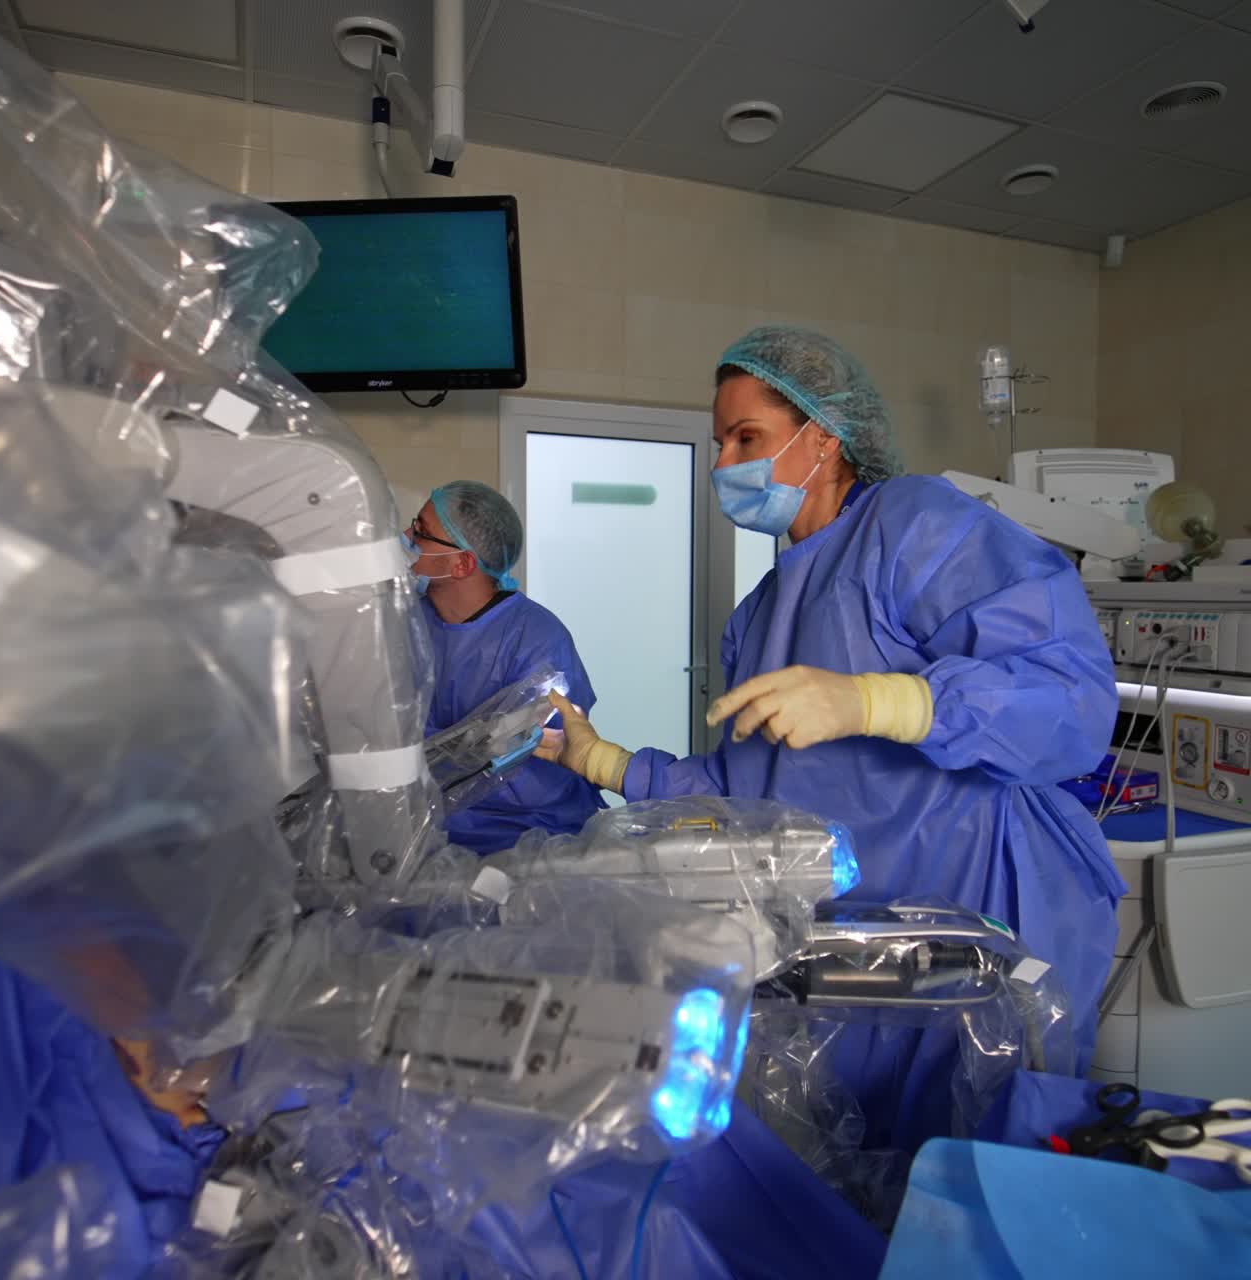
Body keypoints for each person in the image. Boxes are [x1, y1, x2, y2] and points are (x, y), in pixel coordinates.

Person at [538, 326, 1126, 1152]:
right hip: (847, 949)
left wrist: (886, 702)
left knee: (977, 1180)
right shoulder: (763, 610)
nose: (722, 466)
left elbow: (1071, 704)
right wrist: (600, 760)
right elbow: (750, 799)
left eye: (748, 439)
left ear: (824, 437)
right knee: (863, 1188)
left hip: (980, 927)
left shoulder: (915, 524)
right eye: (720, 444)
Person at [403, 480, 603, 854]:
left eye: (421, 532)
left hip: (527, 836)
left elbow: (533, 765)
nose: (406, 537)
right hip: (430, 829)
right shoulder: (410, 622)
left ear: (462, 563)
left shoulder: (538, 640)